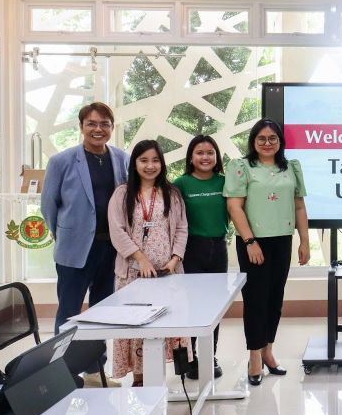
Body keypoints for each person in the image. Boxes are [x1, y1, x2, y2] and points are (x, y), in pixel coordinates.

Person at [41, 101, 129, 387]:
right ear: (81, 127)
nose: (98, 129)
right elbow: (49, 207)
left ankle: (94, 371)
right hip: (75, 250)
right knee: (69, 311)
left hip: (109, 249)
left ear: (112, 128)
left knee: (101, 313)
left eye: (104, 124)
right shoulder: (61, 161)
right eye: (92, 123)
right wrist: (67, 233)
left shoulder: (121, 158)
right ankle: (60, 374)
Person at [223, 118, 310, 386]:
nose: (268, 143)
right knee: (256, 300)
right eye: (261, 138)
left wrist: (304, 241)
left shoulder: (291, 168)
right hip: (253, 243)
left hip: (282, 241)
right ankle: (254, 358)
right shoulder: (242, 167)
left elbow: (299, 207)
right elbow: (234, 207)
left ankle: (269, 351)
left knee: (275, 299)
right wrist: (250, 242)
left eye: (273, 138)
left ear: (280, 141)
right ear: (253, 142)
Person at [108, 140, 189, 386]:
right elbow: (117, 230)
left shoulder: (171, 193)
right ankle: (140, 378)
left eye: (155, 160)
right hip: (133, 274)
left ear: (162, 164)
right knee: (136, 324)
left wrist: (175, 259)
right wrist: (140, 259)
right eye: (143, 160)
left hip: (167, 274)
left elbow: (182, 228)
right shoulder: (122, 193)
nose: (150, 165)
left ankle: (159, 376)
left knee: (167, 321)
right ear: (134, 163)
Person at [173, 135, 229, 380]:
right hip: (191, 250)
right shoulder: (181, 184)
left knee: (214, 305)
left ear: (217, 157)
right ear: (191, 157)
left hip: (218, 248)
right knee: (192, 305)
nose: (205, 157)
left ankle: (209, 356)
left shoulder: (226, 182)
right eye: (200, 153)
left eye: (210, 153)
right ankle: (190, 357)